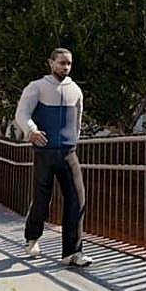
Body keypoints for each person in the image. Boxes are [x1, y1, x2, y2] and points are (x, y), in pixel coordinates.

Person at [14, 48, 91, 267]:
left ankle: (72, 253)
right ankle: (32, 238)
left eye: (69, 63)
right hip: (44, 153)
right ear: (51, 63)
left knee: (77, 199)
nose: (65, 67)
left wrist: (73, 141)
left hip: (68, 153)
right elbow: (22, 113)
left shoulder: (75, 90)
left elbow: (78, 120)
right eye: (61, 63)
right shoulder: (37, 87)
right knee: (42, 200)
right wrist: (31, 130)